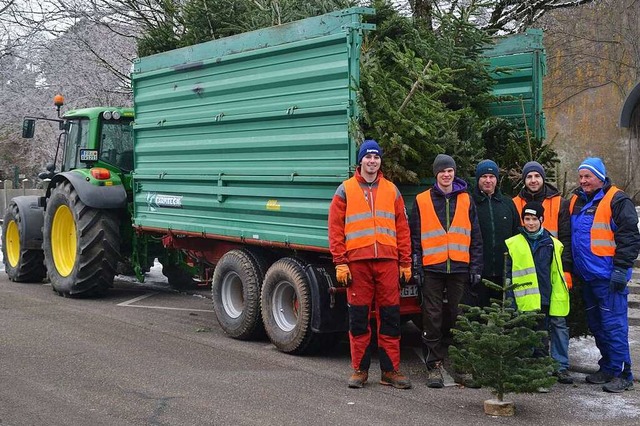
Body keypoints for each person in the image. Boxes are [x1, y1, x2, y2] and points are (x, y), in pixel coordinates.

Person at [328, 139, 413, 390]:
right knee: (358, 319)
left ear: (380, 162)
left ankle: (389, 371)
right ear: (361, 160)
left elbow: (403, 229)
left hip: (388, 262)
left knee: (390, 318)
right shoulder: (345, 190)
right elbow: (335, 229)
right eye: (368, 157)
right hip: (357, 265)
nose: (372, 161)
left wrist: (405, 262)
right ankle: (360, 370)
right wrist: (340, 263)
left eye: (376, 157)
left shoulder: (392, 190)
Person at [409, 154, 483, 388]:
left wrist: (476, 267)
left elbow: (476, 237)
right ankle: (434, 366)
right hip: (432, 268)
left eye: (450, 171)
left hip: (460, 268)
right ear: (436, 174)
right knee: (432, 318)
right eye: (442, 171)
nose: (446, 175)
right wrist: (417, 267)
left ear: (454, 173)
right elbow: (415, 239)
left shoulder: (466, 199)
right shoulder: (422, 200)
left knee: (460, 316)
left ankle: (463, 367)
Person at [570, 157, 640, 393]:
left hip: (609, 278)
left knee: (614, 326)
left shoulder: (617, 200)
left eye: (587, 176)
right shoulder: (577, 201)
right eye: (580, 177)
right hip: (587, 277)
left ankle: (624, 373)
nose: (583, 181)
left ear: (600, 176)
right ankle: (609, 366)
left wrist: (621, 268)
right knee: (597, 326)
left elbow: (629, 237)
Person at [505, 201, 572, 387]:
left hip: (549, 295)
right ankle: (531, 368)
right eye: (527, 218)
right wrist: (509, 299)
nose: (531, 223)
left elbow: (556, 272)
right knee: (532, 333)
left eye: (535, 219)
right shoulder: (514, 243)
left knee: (555, 329)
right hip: (525, 298)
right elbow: (508, 274)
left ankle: (560, 367)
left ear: (542, 220)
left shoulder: (553, 244)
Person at [513, 161, 574, 292]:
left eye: (537, 176)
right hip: (524, 266)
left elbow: (566, 237)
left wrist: (566, 269)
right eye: (529, 177)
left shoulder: (560, 203)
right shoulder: (514, 203)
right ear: (524, 180)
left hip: (552, 265)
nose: (533, 180)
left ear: (543, 178)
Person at [472, 159, 520, 307]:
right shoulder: (469, 203)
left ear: (497, 180)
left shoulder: (508, 204)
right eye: (484, 176)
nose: (488, 180)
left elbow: (517, 234)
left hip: (503, 273)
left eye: (492, 177)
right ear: (478, 179)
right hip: (479, 272)